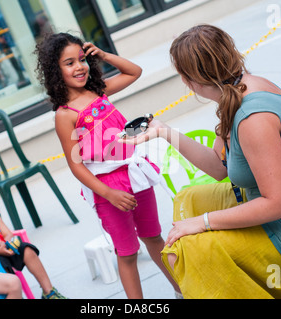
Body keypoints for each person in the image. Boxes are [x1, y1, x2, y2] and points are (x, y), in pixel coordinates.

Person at [120, 24, 281, 299]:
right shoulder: (237, 90)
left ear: (189, 79)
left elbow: (278, 204)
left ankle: (276, 283)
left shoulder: (253, 118)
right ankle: (275, 283)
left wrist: (203, 222)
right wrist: (165, 132)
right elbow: (219, 169)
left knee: (186, 252)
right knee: (189, 198)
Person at [34, 32, 180, 299]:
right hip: (108, 189)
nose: (79, 67)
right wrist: (109, 194)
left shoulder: (97, 90)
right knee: (127, 253)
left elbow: (134, 71)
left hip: (135, 175)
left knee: (154, 238)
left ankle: (182, 291)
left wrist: (102, 54)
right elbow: (76, 166)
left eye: (81, 59)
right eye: (69, 63)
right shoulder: (65, 115)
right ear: (55, 71)